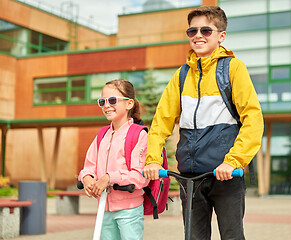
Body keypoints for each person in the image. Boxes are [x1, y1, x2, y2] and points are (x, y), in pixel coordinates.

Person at [143, 6, 264, 240]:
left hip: (225, 175)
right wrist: (153, 160)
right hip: (191, 178)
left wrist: (233, 161)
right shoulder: (181, 75)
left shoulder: (232, 68)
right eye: (192, 31)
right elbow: (160, 123)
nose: (198, 35)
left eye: (206, 30)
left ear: (221, 36)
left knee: (232, 237)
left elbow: (253, 119)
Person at [78, 79, 149, 240]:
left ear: (129, 103)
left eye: (112, 100)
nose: (106, 105)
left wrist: (109, 177)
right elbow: (89, 166)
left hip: (129, 210)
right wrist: (87, 178)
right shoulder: (102, 135)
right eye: (102, 101)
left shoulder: (139, 135)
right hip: (104, 208)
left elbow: (140, 176)